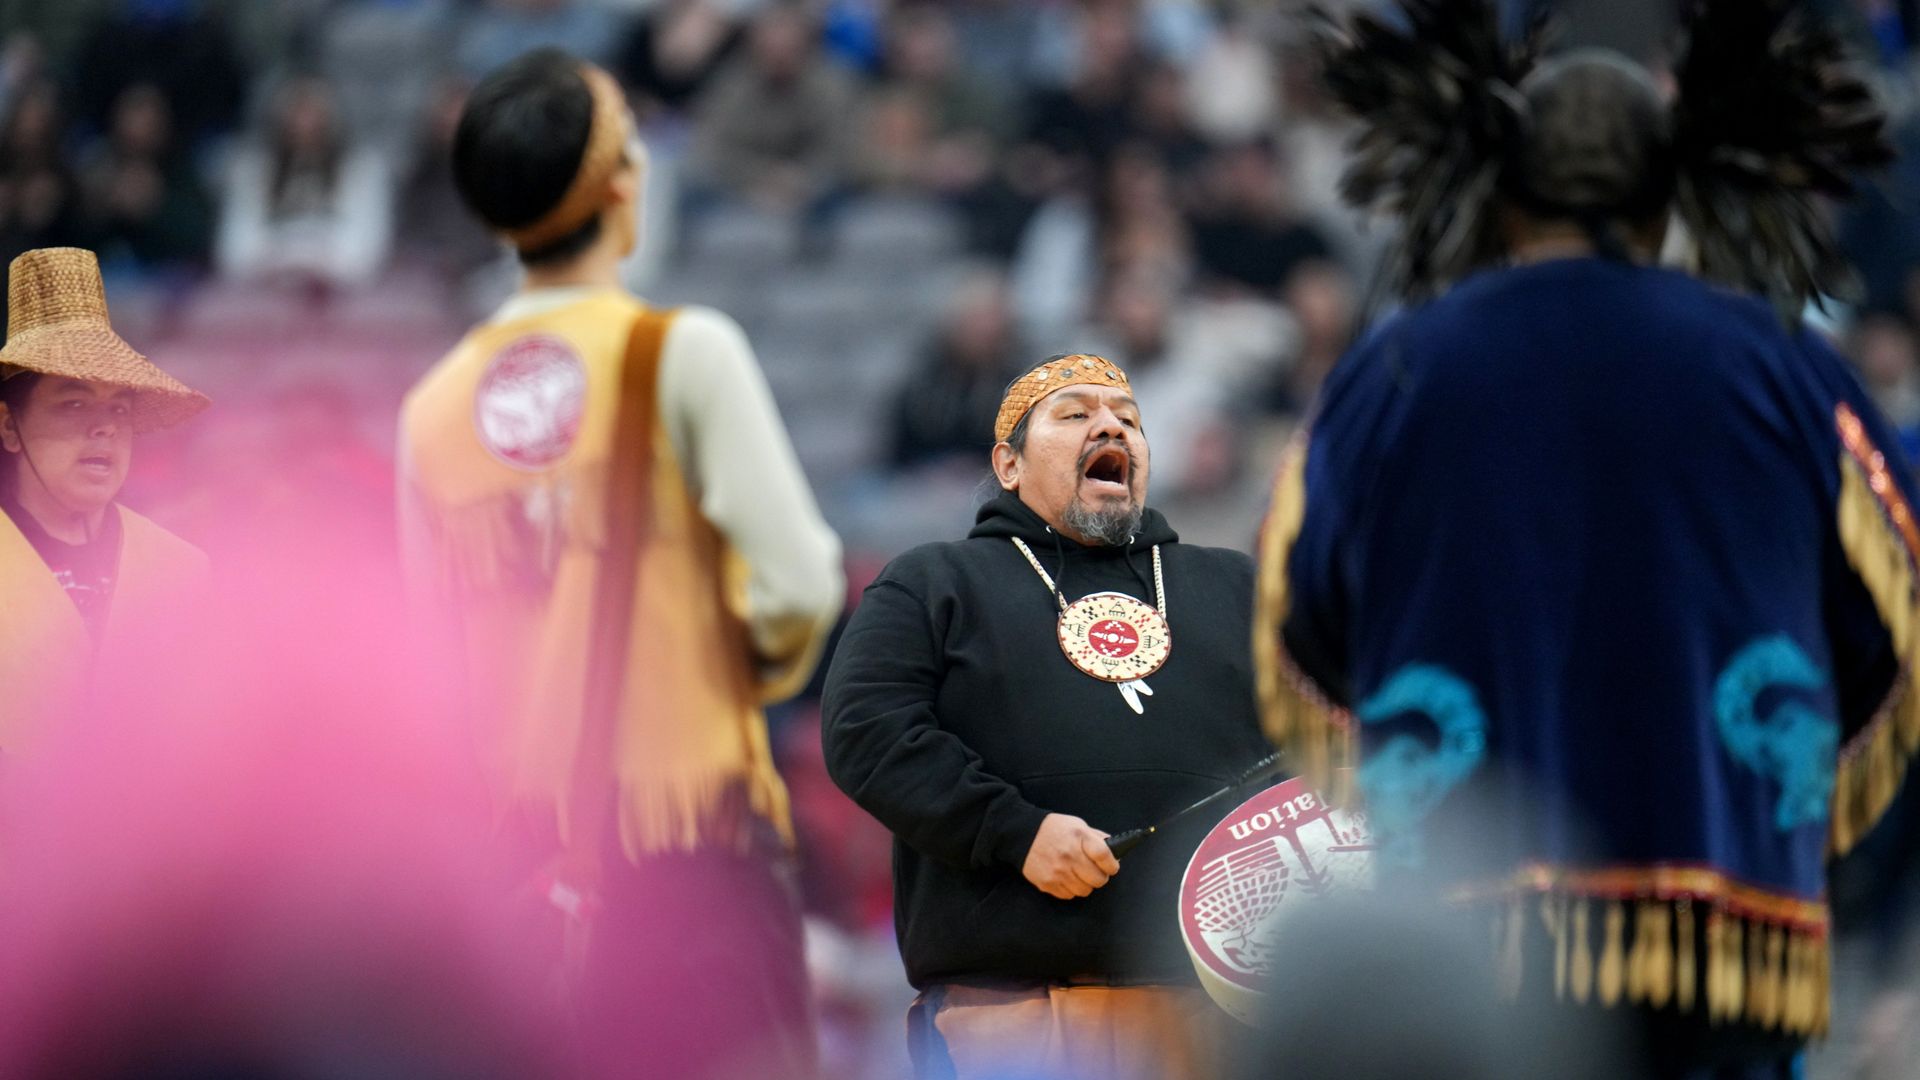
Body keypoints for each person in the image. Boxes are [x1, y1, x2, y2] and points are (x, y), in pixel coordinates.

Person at [1256, 0, 1909, 1076]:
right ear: (1673, 188)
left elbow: (1299, 615)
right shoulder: (1786, 365)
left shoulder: (1394, 371)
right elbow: (1893, 612)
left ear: (1499, 186)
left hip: (1469, 928)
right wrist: (1778, 791)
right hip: (1723, 910)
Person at [396, 48, 843, 1080]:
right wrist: (720, 665)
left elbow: (429, 666)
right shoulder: (686, 351)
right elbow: (800, 586)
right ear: (616, 186)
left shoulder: (429, 411)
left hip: (521, 874)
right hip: (691, 846)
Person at [822, 352, 1269, 1080]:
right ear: (1008, 463)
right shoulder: (934, 582)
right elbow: (865, 731)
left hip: (1218, 1011)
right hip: (1017, 1013)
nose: (1109, 427)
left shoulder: (1236, 587)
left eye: (1128, 419)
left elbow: (1311, 746)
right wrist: (1012, 831)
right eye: (1074, 415)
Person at [0, 245, 209, 746]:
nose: (103, 429)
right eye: (73, 403)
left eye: (119, 410)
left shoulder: (180, 567)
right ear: (9, 427)